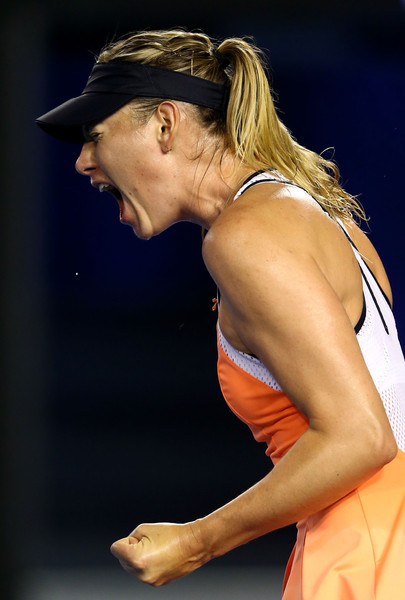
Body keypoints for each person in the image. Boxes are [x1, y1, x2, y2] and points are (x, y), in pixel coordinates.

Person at [36, 29, 405, 599]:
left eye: (96, 135)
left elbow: (361, 435)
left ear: (165, 124)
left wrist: (195, 542)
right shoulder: (310, 214)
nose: (83, 160)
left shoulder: (245, 236)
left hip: (367, 550)